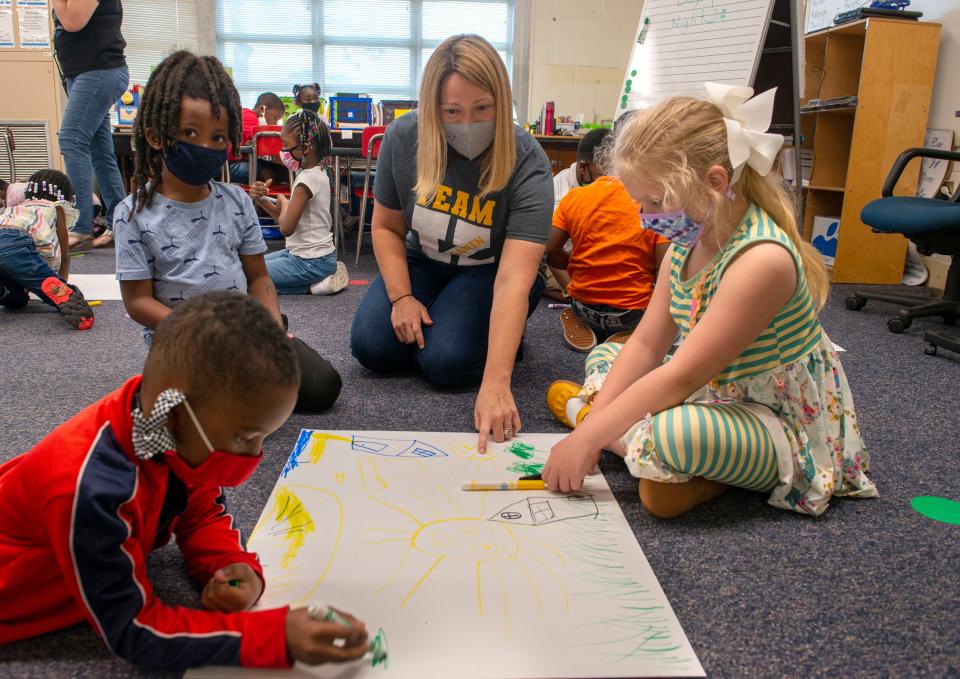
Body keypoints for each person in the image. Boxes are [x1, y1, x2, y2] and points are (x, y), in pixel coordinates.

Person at [543, 84, 877, 519]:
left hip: (779, 419)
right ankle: (624, 436)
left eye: (656, 202)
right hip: (716, 388)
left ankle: (635, 441)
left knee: (674, 433)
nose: (646, 218)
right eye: (641, 204)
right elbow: (646, 344)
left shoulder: (763, 260)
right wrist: (593, 429)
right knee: (611, 353)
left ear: (715, 182)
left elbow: (681, 375)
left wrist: (585, 439)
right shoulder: (688, 238)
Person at [0, 292, 370, 670]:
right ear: (174, 414)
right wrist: (273, 635)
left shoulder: (166, 423)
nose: (255, 456)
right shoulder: (90, 489)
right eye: (245, 438)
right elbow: (134, 630)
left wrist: (232, 565)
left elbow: (202, 512)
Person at [350, 34, 553, 451]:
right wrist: (402, 297)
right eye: (452, 112)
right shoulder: (404, 138)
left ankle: (498, 338)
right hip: (423, 260)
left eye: (483, 109)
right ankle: (471, 327)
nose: (467, 124)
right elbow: (386, 228)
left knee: (446, 363)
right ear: (432, 109)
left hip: (491, 272)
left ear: (502, 102)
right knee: (371, 346)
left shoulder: (528, 160)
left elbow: (514, 277)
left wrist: (497, 381)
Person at [114, 50, 341, 413]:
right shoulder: (133, 213)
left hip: (242, 330)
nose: (207, 146)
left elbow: (260, 279)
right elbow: (137, 301)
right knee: (183, 413)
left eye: (218, 138)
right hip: (181, 338)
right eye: (190, 133)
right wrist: (199, 329)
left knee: (322, 386)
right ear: (157, 137)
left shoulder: (236, 201)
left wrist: (269, 328)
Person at [547, 171, 669, 351]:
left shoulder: (574, 197)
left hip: (583, 309)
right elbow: (666, 268)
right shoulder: (652, 203)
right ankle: (632, 333)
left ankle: (583, 316)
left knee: (549, 269)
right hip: (632, 314)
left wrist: (574, 270)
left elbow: (550, 250)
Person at [52, 0, 129, 250]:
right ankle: (119, 223)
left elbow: (73, 22)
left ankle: (83, 225)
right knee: (99, 150)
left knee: (72, 139)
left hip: (98, 72)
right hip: (85, 73)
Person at [250, 110, 348, 295]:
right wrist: (261, 199)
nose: (283, 152)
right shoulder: (316, 173)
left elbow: (286, 228)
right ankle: (318, 284)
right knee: (251, 266)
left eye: (286, 145)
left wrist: (284, 203)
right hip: (305, 256)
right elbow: (285, 220)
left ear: (305, 148)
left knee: (249, 275)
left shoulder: (306, 180)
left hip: (310, 262)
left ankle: (315, 284)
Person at [0, 169, 94, 329]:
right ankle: (60, 292)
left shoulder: (14, 207)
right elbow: (63, 255)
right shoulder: (57, 208)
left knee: (19, 300)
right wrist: (61, 282)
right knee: (59, 288)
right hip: (17, 241)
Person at [543, 127, 610, 302]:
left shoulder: (602, 185)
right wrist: (573, 292)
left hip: (587, 258)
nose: (610, 178)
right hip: (558, 261)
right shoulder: (560, 196)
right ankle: (547, 287)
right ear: (582, 167)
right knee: (587, 294)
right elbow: (551, 252)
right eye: (602, 173)